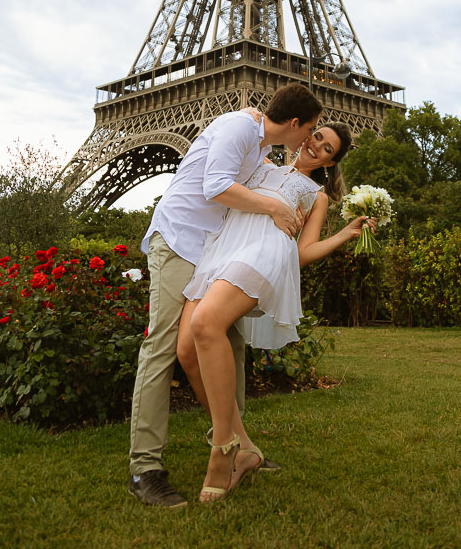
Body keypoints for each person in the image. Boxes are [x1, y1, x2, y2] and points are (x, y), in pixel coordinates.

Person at [128, 82, 323, 508]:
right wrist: (274, 208)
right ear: (294, 123)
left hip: (213, 249)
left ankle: (240, 447)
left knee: (226, 343)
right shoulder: (238, 126)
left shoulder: (260, 145)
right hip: (181, 239)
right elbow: (215, 186)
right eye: (309, 129)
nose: (309, 139)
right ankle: (145, 468)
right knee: (162, 347)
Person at [176, 121, 374, 504]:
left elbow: (302, 252)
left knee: (205, 324)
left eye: (328, 149)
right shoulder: (260, 163)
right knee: (187, 352)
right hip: (220, 249)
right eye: (317, 137)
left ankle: (222, 449)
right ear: (304, 133)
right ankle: (245, 448)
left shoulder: (316, 195)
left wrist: (345, 234)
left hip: (264, 253)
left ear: (331, 163)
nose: (317, 147)